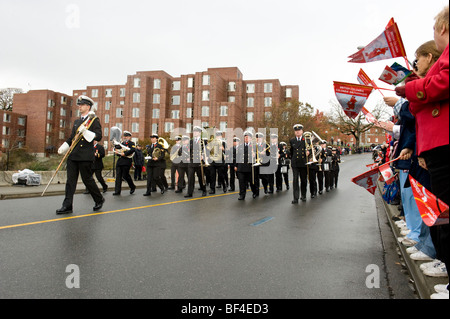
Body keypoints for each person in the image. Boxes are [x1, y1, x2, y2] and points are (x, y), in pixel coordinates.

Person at [395, 6, 449, 291]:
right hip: (434, 149)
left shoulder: (445, 60)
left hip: (442, 147)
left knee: (442, 214)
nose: (415, 65)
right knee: (438, 212)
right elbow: (418, 108)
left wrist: (410, 88)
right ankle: (439, 258)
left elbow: (430, 93)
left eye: (417, 60)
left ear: (442, 28)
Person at [56, 95, 104, 214]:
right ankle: (67, 205)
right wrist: (63, 147)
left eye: (82, 105)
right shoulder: (77, 121)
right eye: (79, 105)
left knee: (87, 179)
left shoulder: (94, 120)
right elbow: (72, 138)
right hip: (73, 155)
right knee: (70, 181)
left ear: (88, 106)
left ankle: (99, 199)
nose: (80, 107)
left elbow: (98, 136)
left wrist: (86, 132)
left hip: (85, 155)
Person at [185, 126, 207, 198]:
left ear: (200, 133)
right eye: (194, 131)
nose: (195, 132)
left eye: (196, 131)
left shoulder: (203, 141)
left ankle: (204, 190)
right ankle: (189, 193)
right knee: (190, 178)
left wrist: (203, 156)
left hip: (199, 162)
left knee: (201, 177)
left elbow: (207, 151)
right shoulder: (191, 141)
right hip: (191, 162)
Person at [236, 131, 259, 200]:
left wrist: (255, 156)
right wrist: (236, 165)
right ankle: (242, 195)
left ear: (251, 138)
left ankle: (255, 192)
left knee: (252, 182)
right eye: (245, 137)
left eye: (248, 137)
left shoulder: (254, 146)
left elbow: (259, 157)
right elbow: (237, 157)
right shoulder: (240, 146)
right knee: (241, 182)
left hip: (250, 167)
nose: (246, 138)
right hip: (241, 167)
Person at [112, 131, 136, 195]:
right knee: (118, 176)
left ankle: (132, 186)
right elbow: (118, 150)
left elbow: (133, 150)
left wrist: (124, 154)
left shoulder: (132, 143)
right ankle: (117, 191)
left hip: (126, 161)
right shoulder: (121, 143)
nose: (125, 137)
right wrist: (117, 152)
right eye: (124, 136)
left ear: (129, 137)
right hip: (120, 161)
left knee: (125, 175)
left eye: (127, 136)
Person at [290, 124, 308, 203]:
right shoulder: (292, 141)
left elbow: (311, 149)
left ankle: (303, 195)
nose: (297, 132)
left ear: (302, 131)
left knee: (303, 180)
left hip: (303, 162)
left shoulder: (306, 140)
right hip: (295, 163)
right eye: (296, 131)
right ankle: (295, 198)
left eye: (299, 131)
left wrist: (308, 152)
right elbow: (291, 151)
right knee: (295, 180)